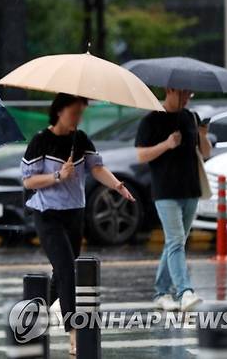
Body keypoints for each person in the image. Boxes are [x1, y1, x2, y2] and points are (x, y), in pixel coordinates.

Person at [21, 93, 135, 356]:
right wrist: (59, 175)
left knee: (61, 273)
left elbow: (96, 168)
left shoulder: (80, 139)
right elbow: (28, 181)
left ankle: (31, 315)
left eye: (81, 113)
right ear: (59, 111)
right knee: (66, 268)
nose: (77, 118)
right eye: (74, 112)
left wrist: (117, 185)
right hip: (47, 213)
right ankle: (74, 332)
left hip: (75, 213)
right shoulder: (41, 141)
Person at [135, 88, 211, 312]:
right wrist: (166, 145)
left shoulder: (190, 117)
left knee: (175, 242)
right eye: (183, 94)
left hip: (190, 190)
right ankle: (185, 291)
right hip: (165, 192)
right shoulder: (151, 120)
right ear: (169, 90)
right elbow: (140, 156)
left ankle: (161, 292)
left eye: (190, 94)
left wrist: (203, 134)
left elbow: (205, 153)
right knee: (176, 240)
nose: (187, 98)